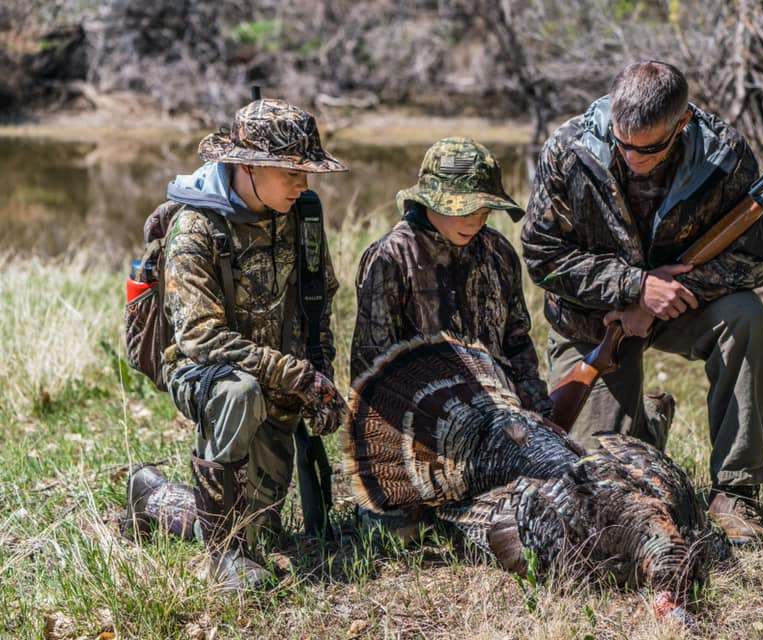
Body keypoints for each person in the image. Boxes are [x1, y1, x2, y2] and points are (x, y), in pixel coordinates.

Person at [522, 60, 763, 544]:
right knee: (594, 481)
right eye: (623, 143)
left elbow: (754, 261)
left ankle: (737, 492)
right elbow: (541, 256)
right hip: (592, 321)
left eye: (650, 148)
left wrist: (665, 296)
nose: (634, 157)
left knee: (747, 318)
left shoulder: (725, 155)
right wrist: (633, 287)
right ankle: (649, 422)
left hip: (682, 307)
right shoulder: (568, 149)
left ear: (682, 124)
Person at [123, 99, 346, 589]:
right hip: (204, 373)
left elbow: (316, 302)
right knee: (237, 392)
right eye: (290, 172)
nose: (302, 184)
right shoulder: (195, 227)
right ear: (248, 166)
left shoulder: (303, 216)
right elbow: (200, 338)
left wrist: (319, 374)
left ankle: (151, 498)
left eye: (306, 172)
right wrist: (295, 375)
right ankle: (225, 559)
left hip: (278, 375)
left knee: (259, 524)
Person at [349, 137, 551, 534]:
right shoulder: (391, 258)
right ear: (429, 201)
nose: (475, 218)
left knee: (538, 512)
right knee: (402, 534)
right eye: (462, 207)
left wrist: (537, 411)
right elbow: (369, 374)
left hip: (496, 432)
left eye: (483, 207)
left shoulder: (499, 253)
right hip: (416, 442)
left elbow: (517, 340)